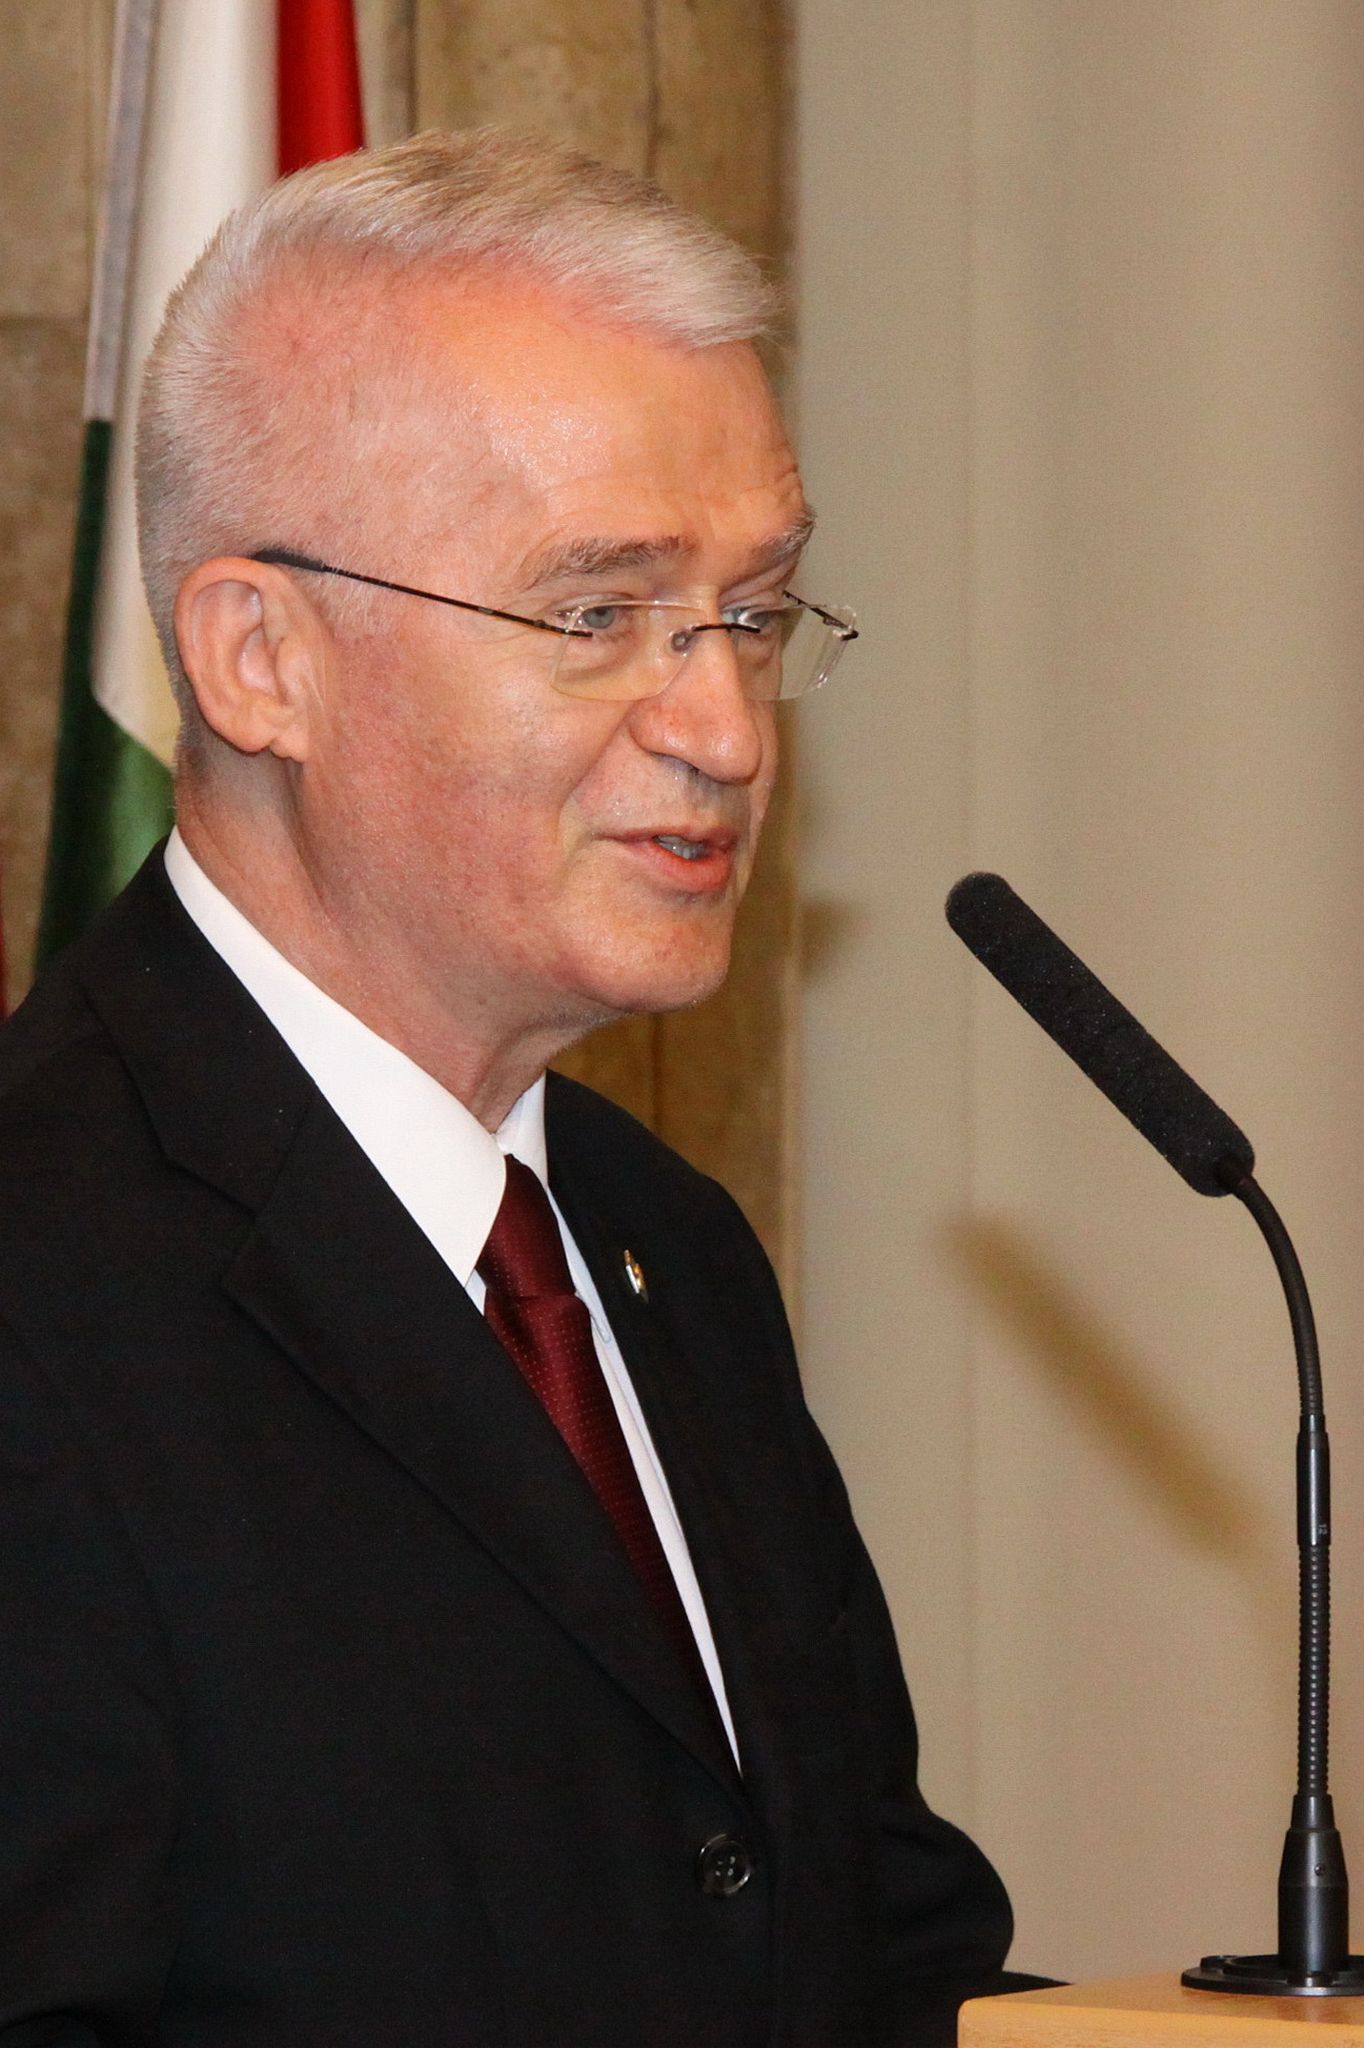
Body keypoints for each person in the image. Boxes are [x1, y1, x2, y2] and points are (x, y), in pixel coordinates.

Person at [0, 129, 1044, 2046]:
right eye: (597, 615)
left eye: (751, 611)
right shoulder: (39, 1278)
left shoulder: (661, 1250)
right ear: (260, 658)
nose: (724, 728)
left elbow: (871, 1957)